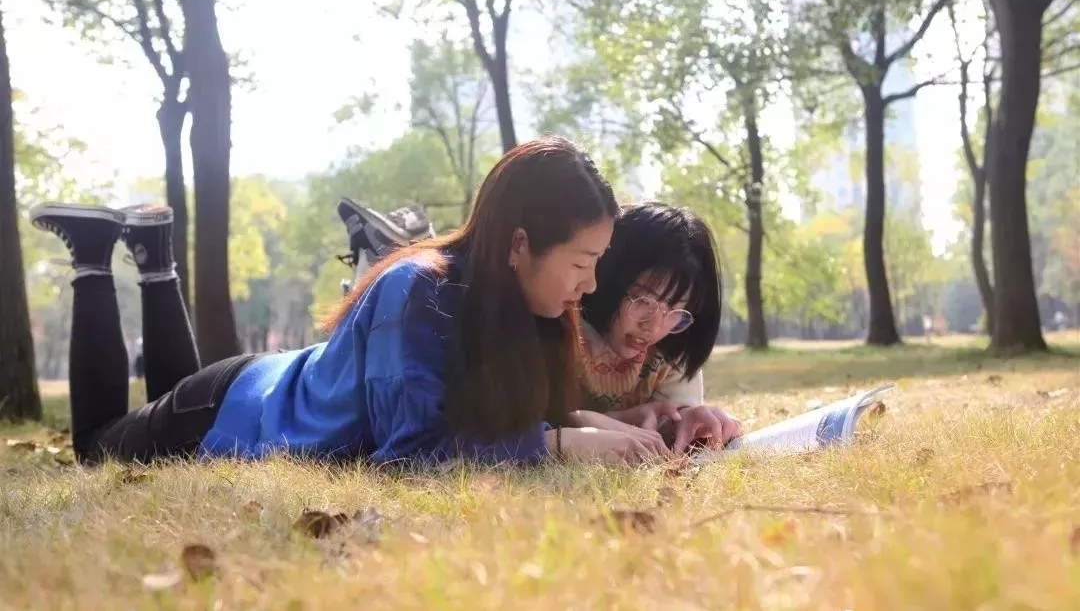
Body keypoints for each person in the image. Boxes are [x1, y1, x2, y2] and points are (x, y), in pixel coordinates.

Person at [30, 136, 669, 467]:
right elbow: (413, 452)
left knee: (159, 404)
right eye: (581, 264)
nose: (591, 285)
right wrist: (561, 444)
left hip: (264, 385)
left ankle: (154, 255)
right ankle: (92, 256)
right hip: (235, 407)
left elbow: (518, 416)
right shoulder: (418, 287)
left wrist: (611, 428)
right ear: (520, 244)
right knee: (97, 448)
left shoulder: (526, 304)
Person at [576, 202, 742, 453]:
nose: (653, 327)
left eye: (676, 311)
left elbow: (672, 426)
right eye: (643, 300)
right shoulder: (567, 326)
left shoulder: (674, 348)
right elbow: (536, 426)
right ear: (609, 277)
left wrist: (688, 419)